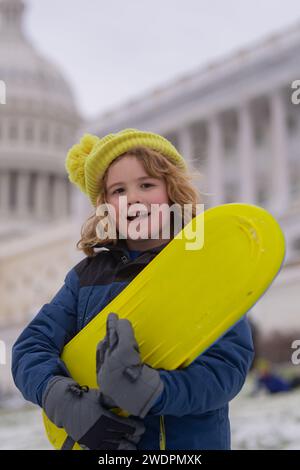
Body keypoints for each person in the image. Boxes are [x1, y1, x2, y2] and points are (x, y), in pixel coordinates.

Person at [12, 128, 254, 450]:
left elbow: (227, 366)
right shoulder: (85, 279)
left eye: (147, 184)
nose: (134, 198)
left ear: (172, 191)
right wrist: (60, 397)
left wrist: (155, 390)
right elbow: (30, 347)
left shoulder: (204, 268)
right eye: (119, 190)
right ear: (105, 206)